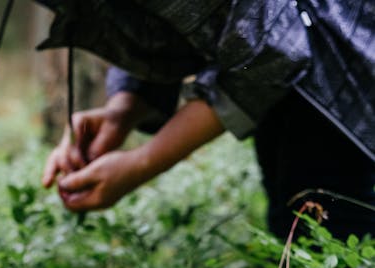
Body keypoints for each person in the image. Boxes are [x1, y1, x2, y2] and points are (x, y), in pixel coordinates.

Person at [34, 0, 375, 241]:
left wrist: (143, 162)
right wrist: (124, 108)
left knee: (330, 251)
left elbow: (272, 55)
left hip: (347, 64)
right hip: (306, 70)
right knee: (297, 240)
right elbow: (170, 18)